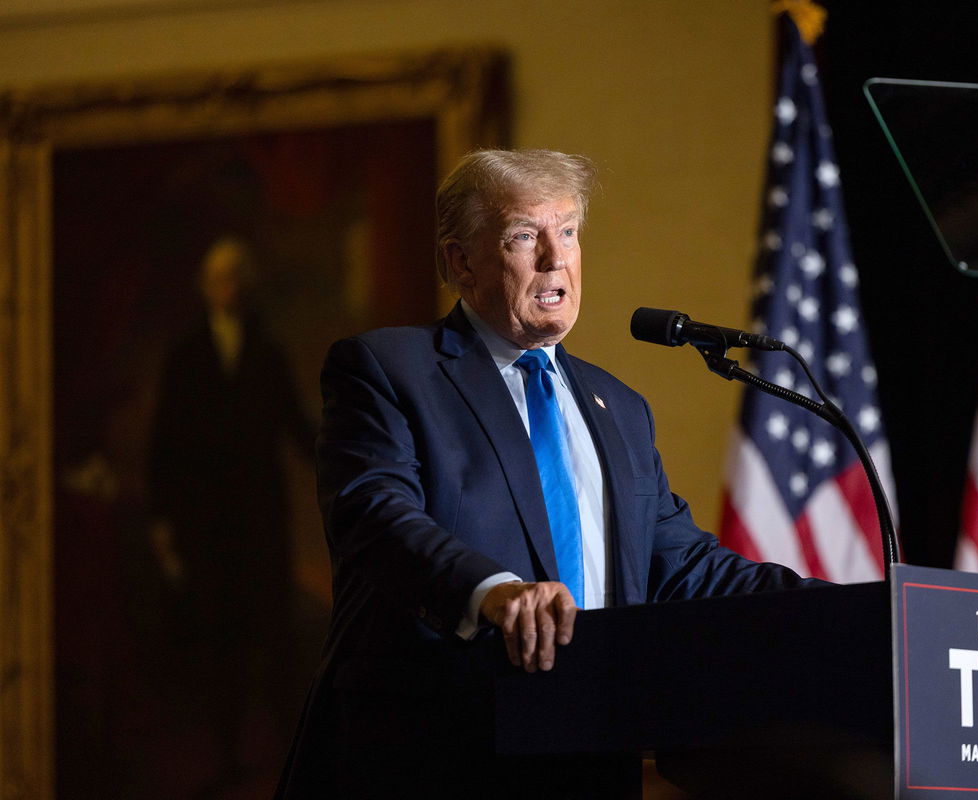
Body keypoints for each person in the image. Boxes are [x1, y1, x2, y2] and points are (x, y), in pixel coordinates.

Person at [274, 150, 822, 799]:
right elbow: (374, 515)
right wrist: (493, 592)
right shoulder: (390, 371)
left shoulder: (618, 407)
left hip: (587, 756)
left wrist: (833, 609)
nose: (554, 258)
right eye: (523, 236)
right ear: (460, 261)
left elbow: (681, 563)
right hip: (429, 757)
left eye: (567, 232)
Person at [147, 236, 315, 794]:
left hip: (260, 520)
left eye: (239, 278)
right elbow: (164, 444)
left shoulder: (266, 352)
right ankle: (224, 760)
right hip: (206, 526)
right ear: (207, 288)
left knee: (273, 639)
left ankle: (286, 759)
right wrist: (165, 523)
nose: (231, 288)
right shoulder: (187, 356)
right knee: (219, 646)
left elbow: (297, 428)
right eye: (222, 279)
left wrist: (349, 466)